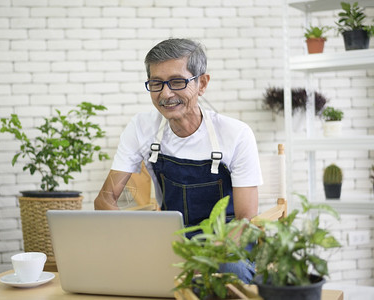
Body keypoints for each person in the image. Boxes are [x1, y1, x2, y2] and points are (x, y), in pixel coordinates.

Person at [94, 38, 262, 283]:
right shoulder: (141, 128)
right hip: (173, 244)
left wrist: (203, 258)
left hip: (226, 246)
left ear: (202, 83)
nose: (166, 93)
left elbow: (244, 220)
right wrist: (134, 242)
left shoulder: (235, 134)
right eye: (156, 83)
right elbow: (104, 199)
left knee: (230, 269)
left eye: (177, 82)